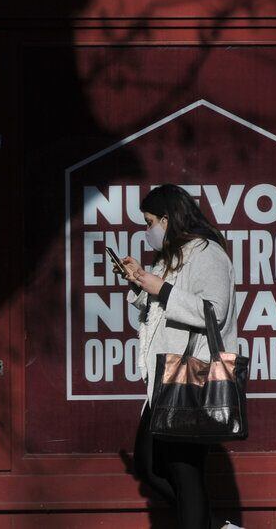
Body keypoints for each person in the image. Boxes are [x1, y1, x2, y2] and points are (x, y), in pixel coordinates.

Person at [113, 184, 242, 529]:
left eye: (150, 222)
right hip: (166, 377)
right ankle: (216, 527)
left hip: (192, 375)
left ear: (168, 219)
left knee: (185, 473)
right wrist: (140, 282)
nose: (148, 230)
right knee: (149, 465)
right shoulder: (174, 255)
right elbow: (162, 309)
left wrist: (161, 287)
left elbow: (214, 311)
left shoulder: (207, 253)